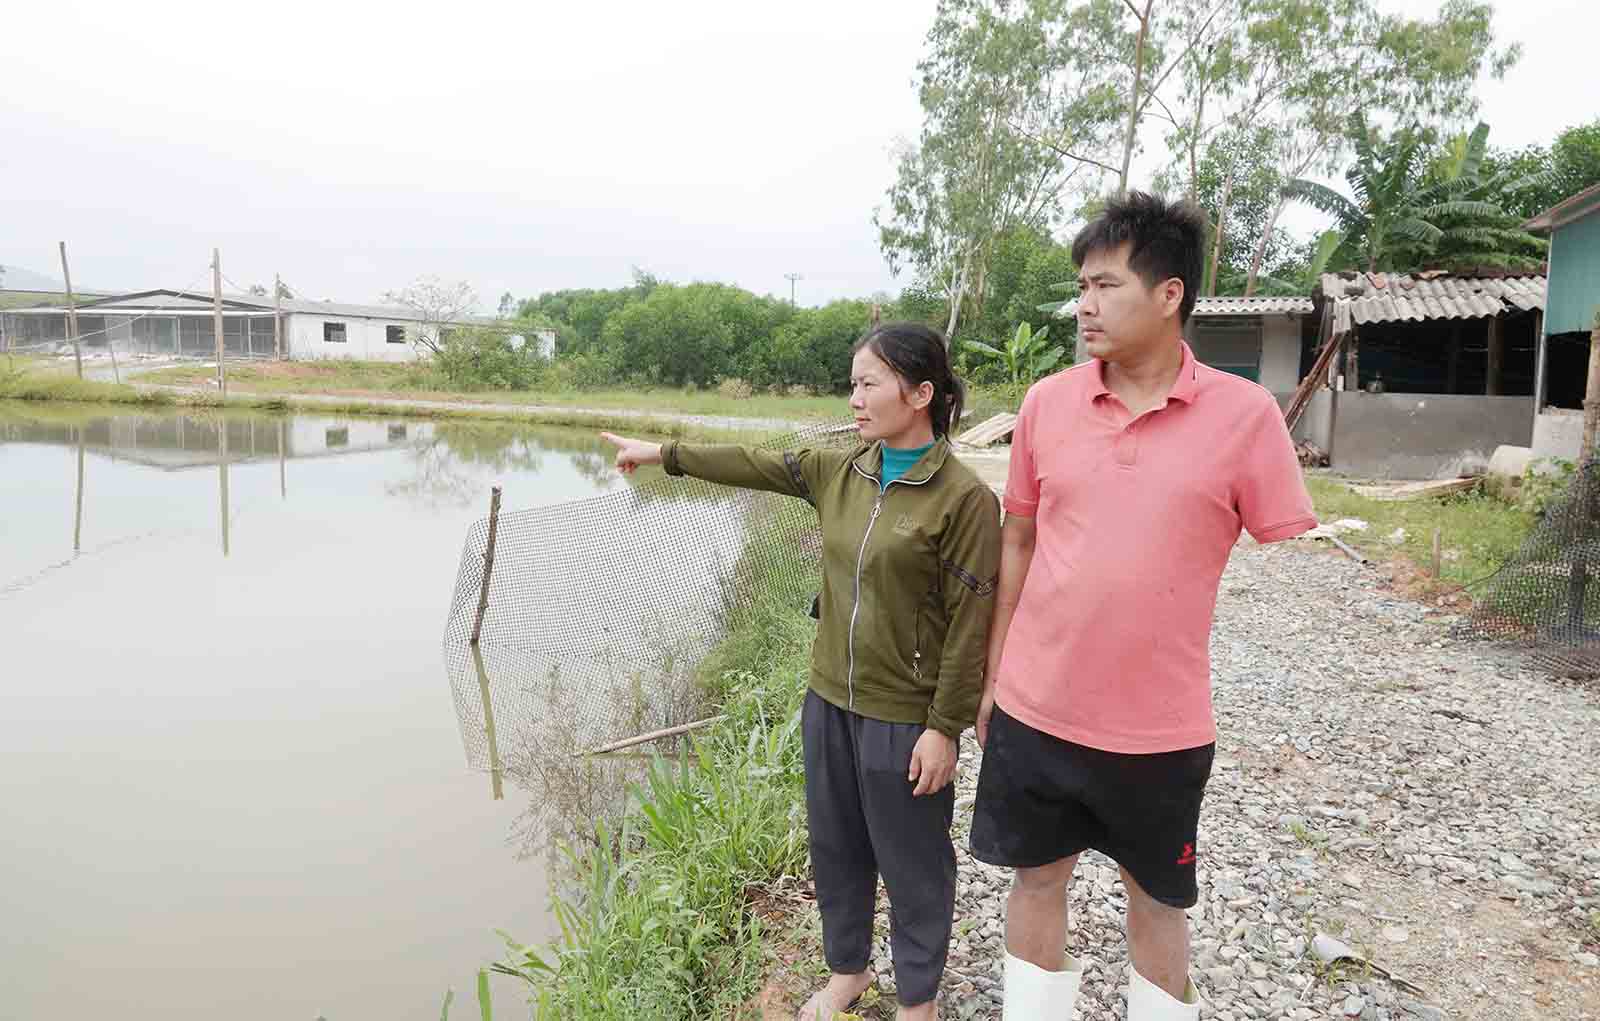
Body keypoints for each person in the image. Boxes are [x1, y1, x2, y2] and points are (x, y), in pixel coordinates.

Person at [968, 192, 1317, 1021]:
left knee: (1158, 902)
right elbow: (1017, 544)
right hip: (1036, 707)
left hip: (1159, 728)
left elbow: (1277, 538)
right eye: (1081, 286)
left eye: (1105, 285)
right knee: (1036, 878)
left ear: (1170, 296)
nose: (1084, 304)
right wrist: (993, 678)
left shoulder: (1245, 416)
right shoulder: (1047, 404)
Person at [603, 321, 1001, 1021]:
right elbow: (751, 461)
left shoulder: (962, 498)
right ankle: (847, 971)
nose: (854, 398)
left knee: (913, 864)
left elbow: (973, 627)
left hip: (903, 716)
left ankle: (918, 1000)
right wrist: (663, 454)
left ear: (920, 393)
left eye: (867, 383)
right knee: (837, 846)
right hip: (829, 699)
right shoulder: (840, 470)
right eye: (853, 383)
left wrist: (944, 726)